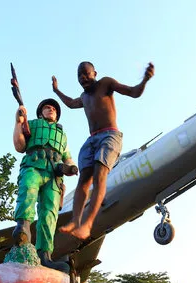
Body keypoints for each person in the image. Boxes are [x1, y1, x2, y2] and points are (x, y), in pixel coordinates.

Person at [52, 61, 155, 241]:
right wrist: (56, 90)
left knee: (100, 174)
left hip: (110, 136)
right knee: (83, 180)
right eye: (79, 76)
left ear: (95, 73)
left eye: (86, 73)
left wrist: (145, 80)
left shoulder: (106, 83)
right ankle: (75, 221)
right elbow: (70, 103)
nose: (83, 78)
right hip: (92, 139)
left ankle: (87, 224)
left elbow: (133, 92)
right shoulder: (84, 97)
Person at [12, 98, 78, 272]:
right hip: (34, 164)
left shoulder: (62, 135)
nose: (51, 109)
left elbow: (67, 156)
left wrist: (70, 167)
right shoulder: (31, 124)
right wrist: (18, 123)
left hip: (54, 173)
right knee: (28, 190)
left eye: (54, 109)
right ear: (40, 112)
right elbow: (20, 146)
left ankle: (45, 255)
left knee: (49, 213)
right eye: (47, 108)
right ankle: (23, 228)